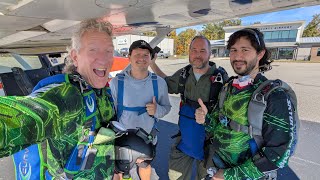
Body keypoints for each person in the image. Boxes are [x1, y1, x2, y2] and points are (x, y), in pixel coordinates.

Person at [0, 18, 117, 179]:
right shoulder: (65, 97)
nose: (103, 59)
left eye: (108, 51)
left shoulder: (103, 91)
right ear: (75, 57)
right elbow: (20, 117)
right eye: (93, 50)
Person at [195, 28, 298, 179]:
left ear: (260, 53)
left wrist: (229, 175)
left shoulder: (274, 96)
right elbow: (218, 127)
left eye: (245, 50)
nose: (237, 56)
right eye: (234, 50)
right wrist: (205, 119)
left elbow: (279, 155)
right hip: (218, 170)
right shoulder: (228, 87)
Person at [150, 36, 228, 180]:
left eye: (203, 51)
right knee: (175, 176)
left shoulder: (220, 79)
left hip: (210, 145)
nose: (197, 54)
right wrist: (152, 64)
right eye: (194, 50)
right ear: (189, 52)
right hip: (185, 139)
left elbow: (230, 113)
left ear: (210, 53)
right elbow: (166, 83)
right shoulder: (184, 74)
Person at [110, 40, 171, 180]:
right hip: (122, 137)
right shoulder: (116, 83)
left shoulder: (159, 83)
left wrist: (157, 110)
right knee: (118, 170)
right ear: (129, 57)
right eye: (137, 54)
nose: (142, 58)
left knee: (144, 165)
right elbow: (111, 111)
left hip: (147, 137)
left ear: (151, 58)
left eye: (146, 55)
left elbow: (166, 108)